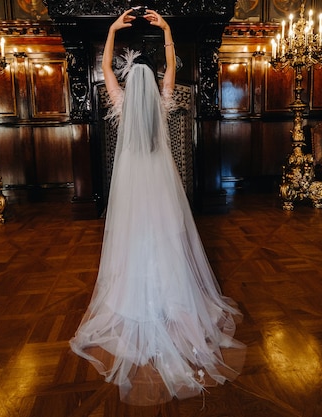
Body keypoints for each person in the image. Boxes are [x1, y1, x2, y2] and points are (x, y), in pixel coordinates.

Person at [69, 9, 246, 406]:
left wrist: (113, 30)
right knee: (166, 238)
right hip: (160, 181)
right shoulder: (164, 101)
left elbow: (105, 70)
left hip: (131, 183)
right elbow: (170, 70)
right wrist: (167, 30)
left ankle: (136, 300)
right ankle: (170, 299)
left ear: (132, 83)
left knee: (133, 238)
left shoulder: (120, 100)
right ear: (156, 87)